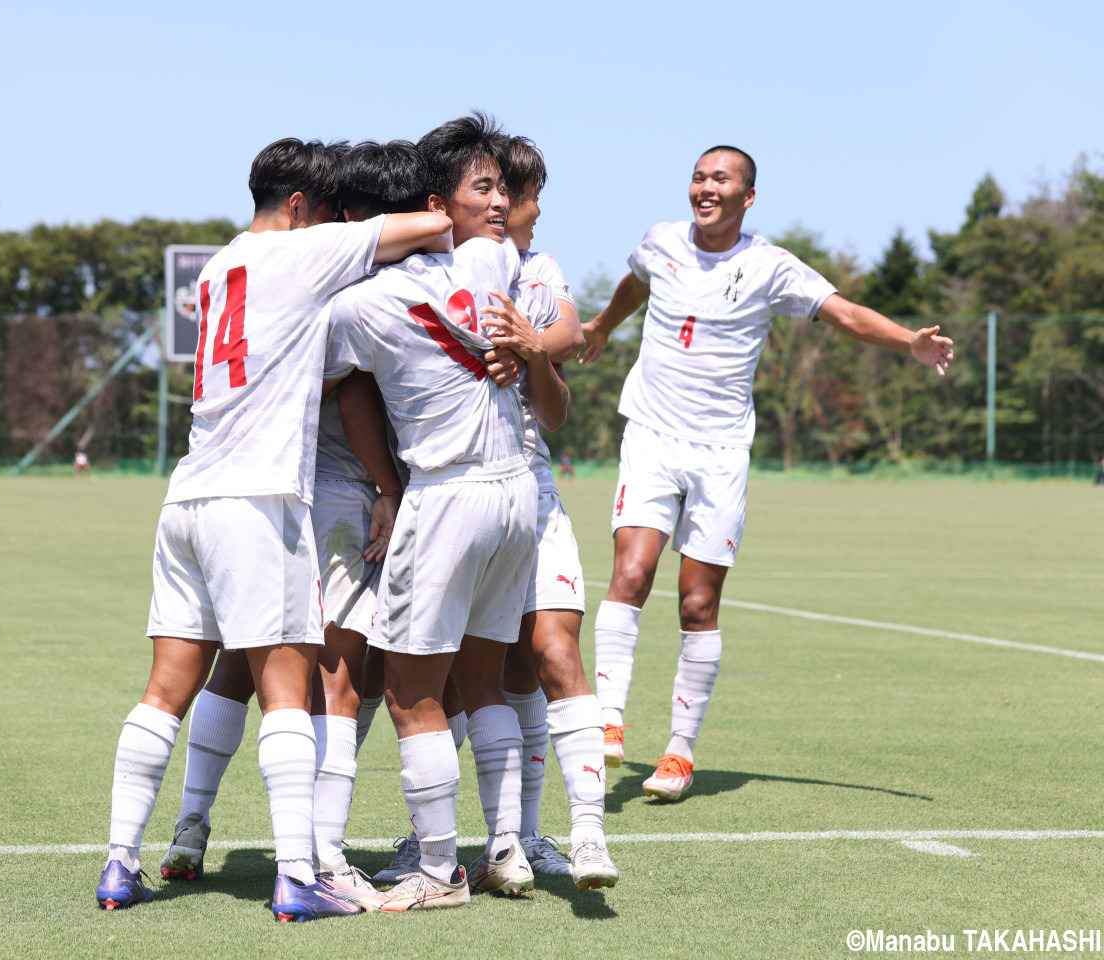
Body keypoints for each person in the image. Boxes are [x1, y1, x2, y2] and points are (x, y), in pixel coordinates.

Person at [95, 136, 452, 922]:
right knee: (290, 690)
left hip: (188, 495)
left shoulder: (220, 267)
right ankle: (300, 874)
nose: (331, 225)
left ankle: (119, 863)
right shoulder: (301, 254)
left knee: (164, 691)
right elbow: (420, 229)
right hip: (259, 500)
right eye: (324, 212)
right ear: (299, 207)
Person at [579, 145, 954, 802]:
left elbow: (844, 314)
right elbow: (635, 282)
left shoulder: (770, 266)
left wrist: (908, 343)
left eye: (721, 179)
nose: (706, 187)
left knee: (698, 603)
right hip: (651, 436)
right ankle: (607, 722)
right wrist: (605, 326)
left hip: (721, 453)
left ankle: (679, 753)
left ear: (747, 197)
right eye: (698, 176)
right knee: (631, 573)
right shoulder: (659, 240)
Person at [322, 114, 555, 911]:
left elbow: (322, 378)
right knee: (483, 683)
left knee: (414, 695)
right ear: (439, 208)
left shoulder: (362, 304)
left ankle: (436, 870)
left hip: (447, 493)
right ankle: (505, 850)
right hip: (519, 493)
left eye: (500, 191)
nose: (497, 206)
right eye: (482, 190)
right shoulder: (495, 265)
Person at [490, 134, 617, 889]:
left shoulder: (539, 270)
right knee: (465, 677)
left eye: (526, 199)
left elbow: (567, 333)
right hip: (453, 496)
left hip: (533, 491)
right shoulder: (436, 268)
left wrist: (536, 347)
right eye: (523, 198)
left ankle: (585, 835)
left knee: (552, 655)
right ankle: (482, 839)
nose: (529, 214)